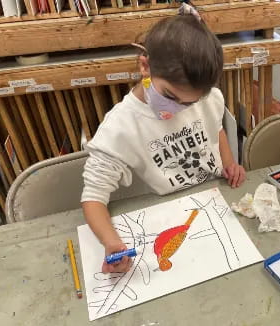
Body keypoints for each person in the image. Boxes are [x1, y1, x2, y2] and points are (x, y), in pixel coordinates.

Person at [81, 10, 245, 274]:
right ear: (144, 67)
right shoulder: (121, 127)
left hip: (217, 204)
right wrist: (111, 242)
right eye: (170, 95)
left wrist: (229, 162)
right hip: (165, 215)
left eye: (190, 102)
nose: (179, 108)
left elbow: (215, 129)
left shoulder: (209, 97)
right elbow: (93, 197)